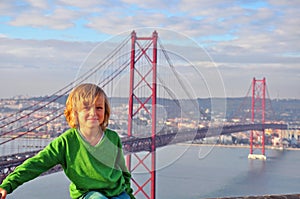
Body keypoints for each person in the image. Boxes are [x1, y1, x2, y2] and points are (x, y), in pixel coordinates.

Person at [0, 83, 135, 199]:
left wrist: (129, 195)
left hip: (117, 193)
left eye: (99, 108)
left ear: (105, 111)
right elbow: (36, 164)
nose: (93, 112)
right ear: (74, 113)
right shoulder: (66, 142)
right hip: (89, 194)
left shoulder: (113, 138)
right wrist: (8, 184)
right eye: (87, 108)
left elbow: (123, 173)